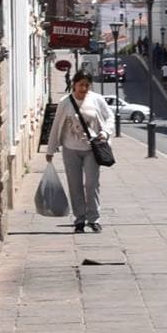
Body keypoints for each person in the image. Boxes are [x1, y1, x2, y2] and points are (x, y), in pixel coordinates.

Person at [45, 72, 115, 233]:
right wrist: (50, 149)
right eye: (80, 84)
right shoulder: (65, 102)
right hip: (70, 149)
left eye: (86, 85)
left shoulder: (96, 99)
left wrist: (105, 132)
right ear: (74, 84)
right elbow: (56, 125)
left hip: (92, 148)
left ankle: (94, 219)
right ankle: (79, 220)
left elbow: (109, 116)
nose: (83, 88)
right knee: (74, 185)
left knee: (91, 184)